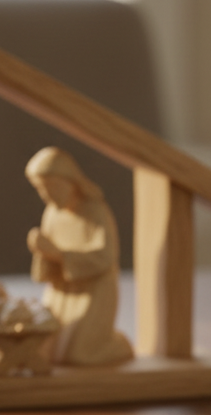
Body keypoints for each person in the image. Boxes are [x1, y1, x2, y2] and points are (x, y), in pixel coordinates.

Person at [25, 147, 132, 367]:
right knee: (44, 350)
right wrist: (41, 251)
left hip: (94, 292)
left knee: (79, 355)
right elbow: (46, 267)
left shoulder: (95, 211)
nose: (47, 195)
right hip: (61, 291)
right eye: (40, 189)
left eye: (52, 187)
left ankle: (118, 343)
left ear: (71, 181)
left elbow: (104, 257)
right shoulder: (52, 213)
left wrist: (57, 254)